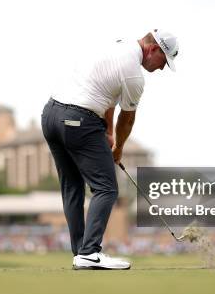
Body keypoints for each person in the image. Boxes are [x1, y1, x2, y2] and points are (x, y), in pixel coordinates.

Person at [41, 29, 179, 270]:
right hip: (78, 119)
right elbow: (127, 120)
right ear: (154, 49)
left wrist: (107, 133)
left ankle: (81, 254)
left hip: (51, 114)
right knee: (106, 188)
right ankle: (89, 252)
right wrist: (118, 149)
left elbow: (108, 95)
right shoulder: (134, 75)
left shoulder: (118, 45)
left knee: (72, 187)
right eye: (163, 62)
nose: (161, 68)